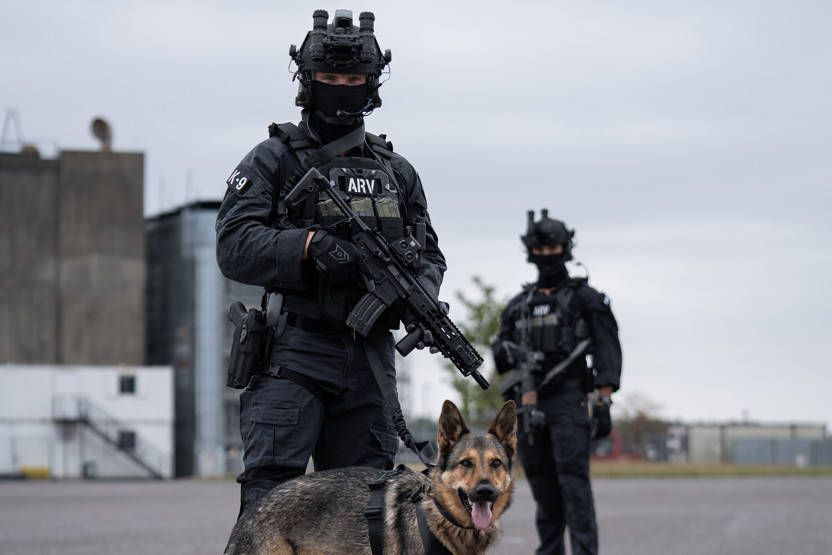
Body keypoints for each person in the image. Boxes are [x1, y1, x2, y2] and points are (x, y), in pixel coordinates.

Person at [216, 9, 446, 518]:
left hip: (370, 358)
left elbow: (429, 253)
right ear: (307, 80)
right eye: (330, 79)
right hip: (296, 351)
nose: (341, 89)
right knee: (271, 502)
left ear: (372, 85)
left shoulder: (397, 171)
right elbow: (233, 243)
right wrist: (308, 244)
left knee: (365, 509)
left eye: (353, 81)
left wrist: (421, 297)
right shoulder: (273, 159)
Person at [492, 210, 622, 555]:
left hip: (567, 401)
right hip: (527, 405)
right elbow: (500, 355)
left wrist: (604, 401)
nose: (547, 255)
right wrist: (505, 349)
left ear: (566, 248)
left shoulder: (586, 298)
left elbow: (607, 348)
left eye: (553, 249)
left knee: (574, 488)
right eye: (540, 250)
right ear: (530, 252)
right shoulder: (519, 304)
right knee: (544, 492)